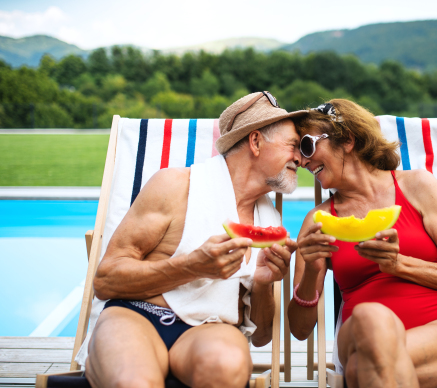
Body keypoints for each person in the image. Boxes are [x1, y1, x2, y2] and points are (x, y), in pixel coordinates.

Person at [83, 92, 307, 388]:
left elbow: (263, 335)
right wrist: (193, 266)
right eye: (293, 146)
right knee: (133, 381)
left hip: (211, 329)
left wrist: (264, 283)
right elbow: (105, 281)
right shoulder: (174, 186)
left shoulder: (272, 222)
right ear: (255, 142)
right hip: (136, 316)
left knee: (226, 369)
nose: (301, 159)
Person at [288, 99, 437, 388]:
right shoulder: (317, 221)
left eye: (306, 146)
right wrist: (311, 271)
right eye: (297, 154)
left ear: (347, 140)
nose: (303, 161)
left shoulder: (418, 185)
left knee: (361, 370)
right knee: (371, 317)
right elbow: (300, 329)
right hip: (361, 331)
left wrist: (399, 264)